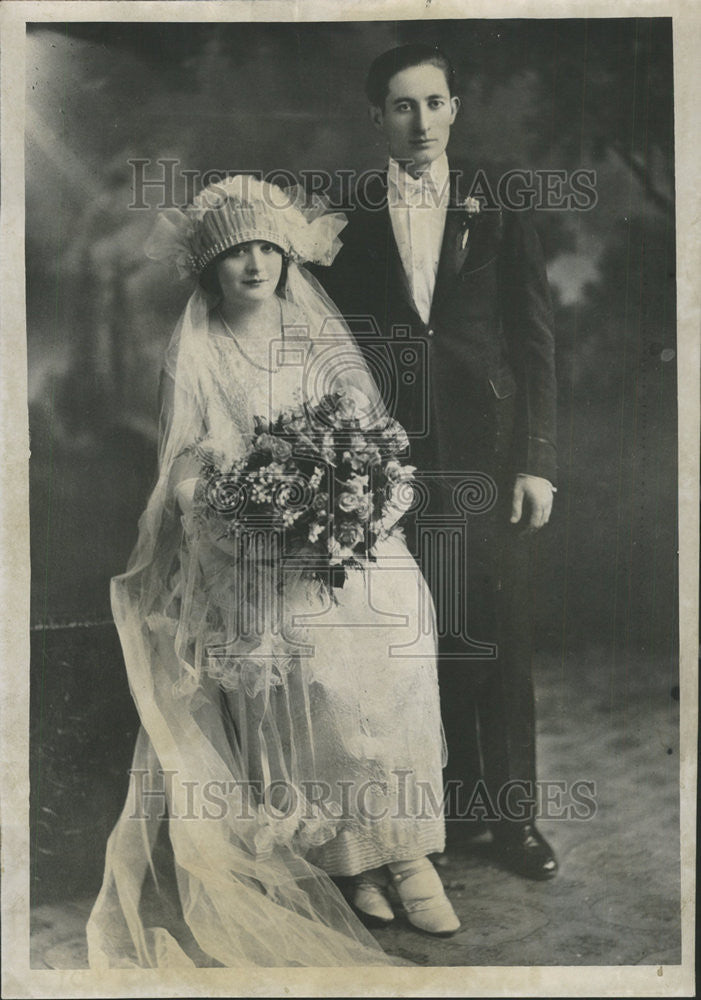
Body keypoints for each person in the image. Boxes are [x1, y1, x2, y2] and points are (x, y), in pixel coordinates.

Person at [86, 174, 460, 970]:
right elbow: (184, 467)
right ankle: (345, 860)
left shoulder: (318, 336)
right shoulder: (199, 348)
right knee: (311, 676)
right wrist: (251, 512)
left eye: (266, 248)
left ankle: (406, 852)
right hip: (255, 546)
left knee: (396, 646)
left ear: (288, 257)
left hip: (344, 541)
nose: (253, 265)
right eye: (234, 253)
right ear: (209, 266)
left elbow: (371, 434)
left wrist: (359, 501)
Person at [319, 44, 558, 880]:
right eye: (399, 106)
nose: (419, 122)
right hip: (393, 456)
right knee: (423, 636)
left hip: (490, 453)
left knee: (502, 636)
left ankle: (515, 821)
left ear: (453, 108)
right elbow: (335, 341)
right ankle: (444, 813)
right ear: (375, 118)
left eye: (432, 103)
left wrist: (534, 460)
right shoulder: (348, 212)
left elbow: (531, 337)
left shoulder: (500, 198)